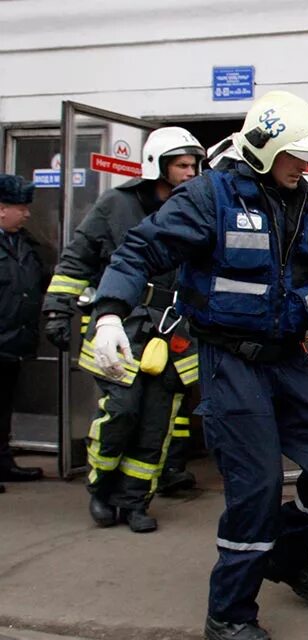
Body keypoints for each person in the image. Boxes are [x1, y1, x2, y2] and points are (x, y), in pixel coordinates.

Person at [91, 91, 308, 640]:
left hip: (291, 359)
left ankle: (285, 556)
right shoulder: (209, 197)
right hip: (231, 361)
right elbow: (139, 251)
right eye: (296, 155)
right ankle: (229, 613)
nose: (307, 165)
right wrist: (109, 315)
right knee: (257, 486)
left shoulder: (306, 206)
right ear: (265, 149)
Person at [43, 127, 206, 531]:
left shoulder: (198, 209)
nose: (190, 172)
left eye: (194, 165)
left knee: (156, 425)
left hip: (173, 333)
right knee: (120, 414)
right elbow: (77, 259)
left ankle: (135, 501)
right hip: (123, 327)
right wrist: (57, 311)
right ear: (158, 166)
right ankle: (101, 491)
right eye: (181, 165)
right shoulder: (115, 204)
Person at [0, 174, 47, 493]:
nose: (27, 213)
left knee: (3, 407)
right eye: (21, 207)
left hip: (13, 341)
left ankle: (3, 464)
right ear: (2, 209)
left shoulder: (25, 243)